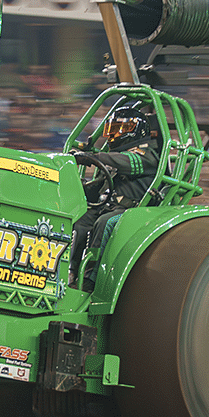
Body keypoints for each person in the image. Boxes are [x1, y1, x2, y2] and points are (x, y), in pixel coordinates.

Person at [69, 106, 161, 292]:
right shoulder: (116, 156)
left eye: (122, 129)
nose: (115, 134)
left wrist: (93, 157)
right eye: (112, 129)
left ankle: (91, 279)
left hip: (133, 212)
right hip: (108, 205)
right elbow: (101, 183)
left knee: (104, 223)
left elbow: (126, 161)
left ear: (136, 131)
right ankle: (71, 270)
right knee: (80, 219)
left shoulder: (147, 155)